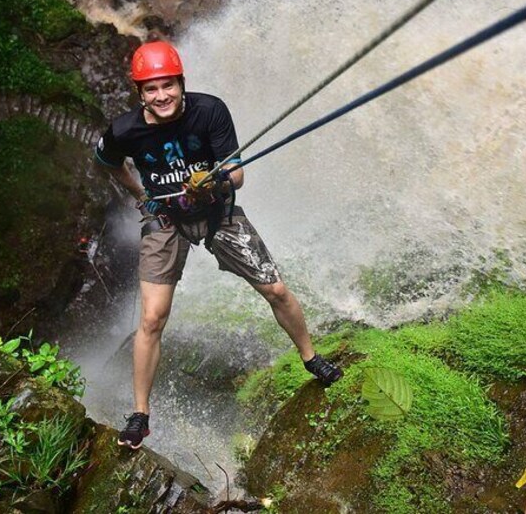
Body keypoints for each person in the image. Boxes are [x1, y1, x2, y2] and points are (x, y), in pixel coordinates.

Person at [94, 40, 343, 450]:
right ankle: (140, 415)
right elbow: (106, 161)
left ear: (181, 83)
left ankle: (311, 358)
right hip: (165, 220)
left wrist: (214, 180)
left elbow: (237, 174)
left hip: (215, 212)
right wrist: (141, 195)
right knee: (153, 319)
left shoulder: (210, 110)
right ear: (139, 93)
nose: (162, 96)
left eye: (168, 85)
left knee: (275, 289)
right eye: (151, 89)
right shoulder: (124, 130)